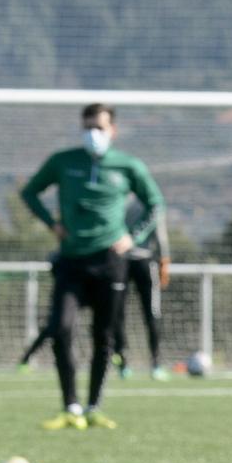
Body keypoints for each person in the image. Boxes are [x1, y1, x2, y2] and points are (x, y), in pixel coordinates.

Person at [19, 104, 165, 431]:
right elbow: (30, 192)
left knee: (105, 335)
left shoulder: (128, 166)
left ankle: (93, 406)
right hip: (71, 260)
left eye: (98, 127)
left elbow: (156, 203)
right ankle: (70, 406)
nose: (92, 134)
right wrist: (51, 224)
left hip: (111, 262)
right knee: (61, 327)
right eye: (87, 127)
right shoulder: (63, 161)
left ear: (113, 129)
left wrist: (134, 236)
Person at [112, 211, 170, 380]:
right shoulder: (120, 198)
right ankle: (123, 363)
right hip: (121, 261)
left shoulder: (149, 202)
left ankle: (156, 363)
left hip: (143, 261)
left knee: (151, 314)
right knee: (118, 313)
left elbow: (158, 231)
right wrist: (165, 258)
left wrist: (164, 261)